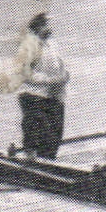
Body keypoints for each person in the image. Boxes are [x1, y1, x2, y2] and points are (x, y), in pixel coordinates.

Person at [14, 12, 69, 160]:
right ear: (38, 27)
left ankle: (49, 161)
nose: (51, 29)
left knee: (55, 133)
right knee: (36, 132)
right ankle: (32, 161)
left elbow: (60, 66)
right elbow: (24, 73)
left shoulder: (52, 44)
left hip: (54, 95)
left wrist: (65, 76)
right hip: (34, 95)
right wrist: (49, 80)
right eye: (47, 25)